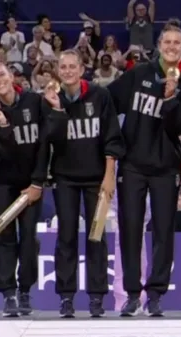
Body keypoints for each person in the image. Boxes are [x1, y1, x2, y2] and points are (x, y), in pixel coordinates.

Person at [107, 24, 181, 317]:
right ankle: (132, 295)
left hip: (166, 166)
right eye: (167, 41)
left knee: (163, 232)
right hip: (133, 164)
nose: (172, 46)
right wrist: (115, 145)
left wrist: (171, 97)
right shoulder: (139, 73)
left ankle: (156, 294)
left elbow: (179, 127)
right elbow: (107, 100)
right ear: (159, 44)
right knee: (130, 229)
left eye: (178, 42)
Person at [39, 50, 124, 318]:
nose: (67, 71)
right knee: (65, 237)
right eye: (62, 67)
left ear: (82, 67)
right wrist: (55, 109)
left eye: (72, 66)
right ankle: (66, 297)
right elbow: (50, 139)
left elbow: (112, 136)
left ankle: (97, 298)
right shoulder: (52, 99)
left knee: (96, 237)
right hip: (64, 178)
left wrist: (109, 174)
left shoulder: (100, 96)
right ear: (57, 71)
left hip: (96, 179)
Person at [0, 62, 61, 318]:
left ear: (12, 76)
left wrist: (38, 182)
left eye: (1, 74)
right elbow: (1, 152)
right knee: (2, 235)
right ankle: (8, 294)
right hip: (1, 181)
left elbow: (45, 143)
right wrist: (3, 126)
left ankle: (25, 290)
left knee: (28, 239)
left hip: (30, 184)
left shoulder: (34, 102)